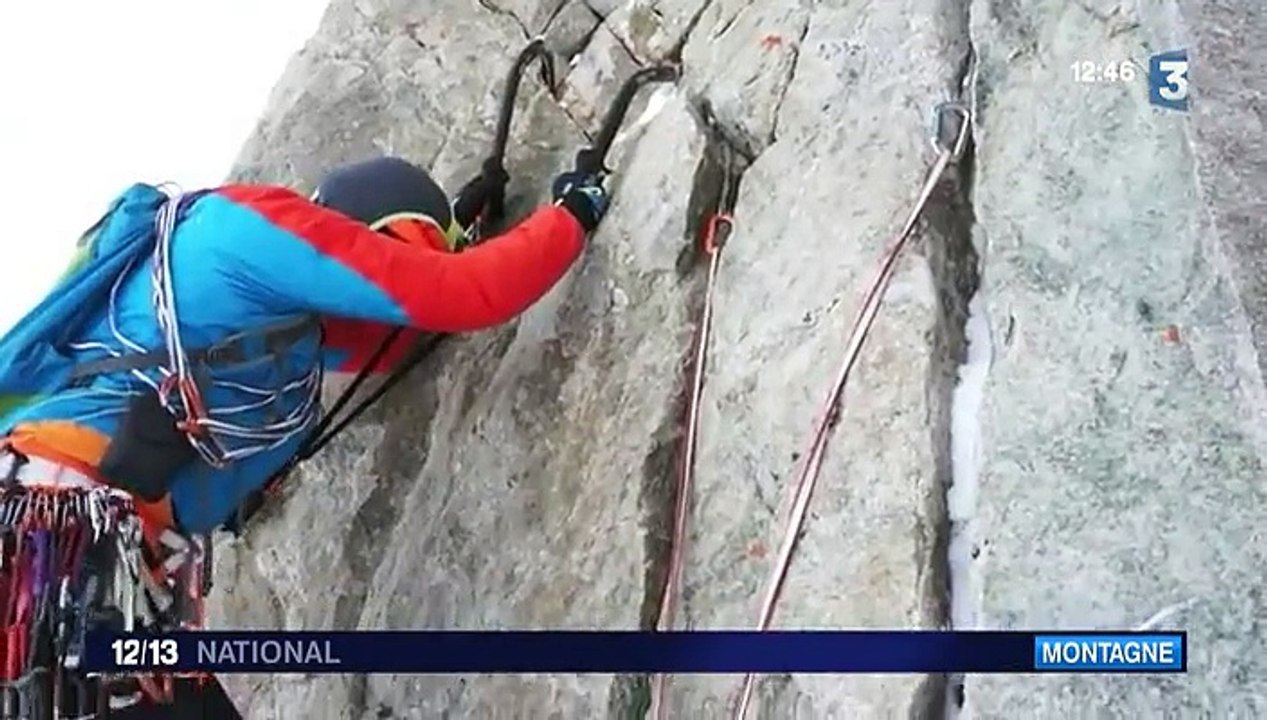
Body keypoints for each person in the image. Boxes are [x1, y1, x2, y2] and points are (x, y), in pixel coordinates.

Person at [0, 155, 610, 717]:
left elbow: (395, 334)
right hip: (67, 535)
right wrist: (569, 215)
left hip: (80, 545)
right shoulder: (254, 228)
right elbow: (462, 292)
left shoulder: (274, 315)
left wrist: (466, 234)